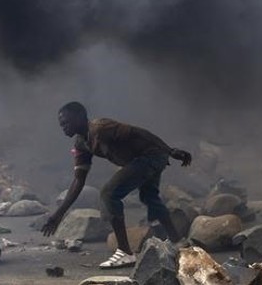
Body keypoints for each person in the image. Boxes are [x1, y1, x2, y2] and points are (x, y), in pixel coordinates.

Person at [41, 101, 193, 269]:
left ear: (80, 117)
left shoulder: (101, 128)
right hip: (144, 159)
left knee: (109, 193)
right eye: (61, 125)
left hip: (151, 156)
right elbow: (78, 180)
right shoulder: (81, 144)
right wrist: (58, 214)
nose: (63, 127)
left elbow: (139, 133)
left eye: (66, 122)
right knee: (150, 198)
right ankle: (179, 243)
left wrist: (170, 150)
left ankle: (125, 252)